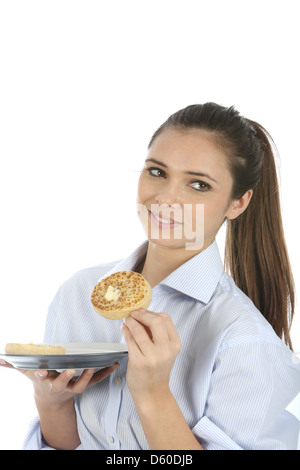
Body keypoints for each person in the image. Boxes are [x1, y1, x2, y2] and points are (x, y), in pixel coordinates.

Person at [1, 102, 299, 450]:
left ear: (238, 203)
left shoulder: (244, 340)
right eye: (158, 172)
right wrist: (52, 401)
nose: (167, 198)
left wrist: (154, 393)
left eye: (199, 185)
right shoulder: (79, 293)